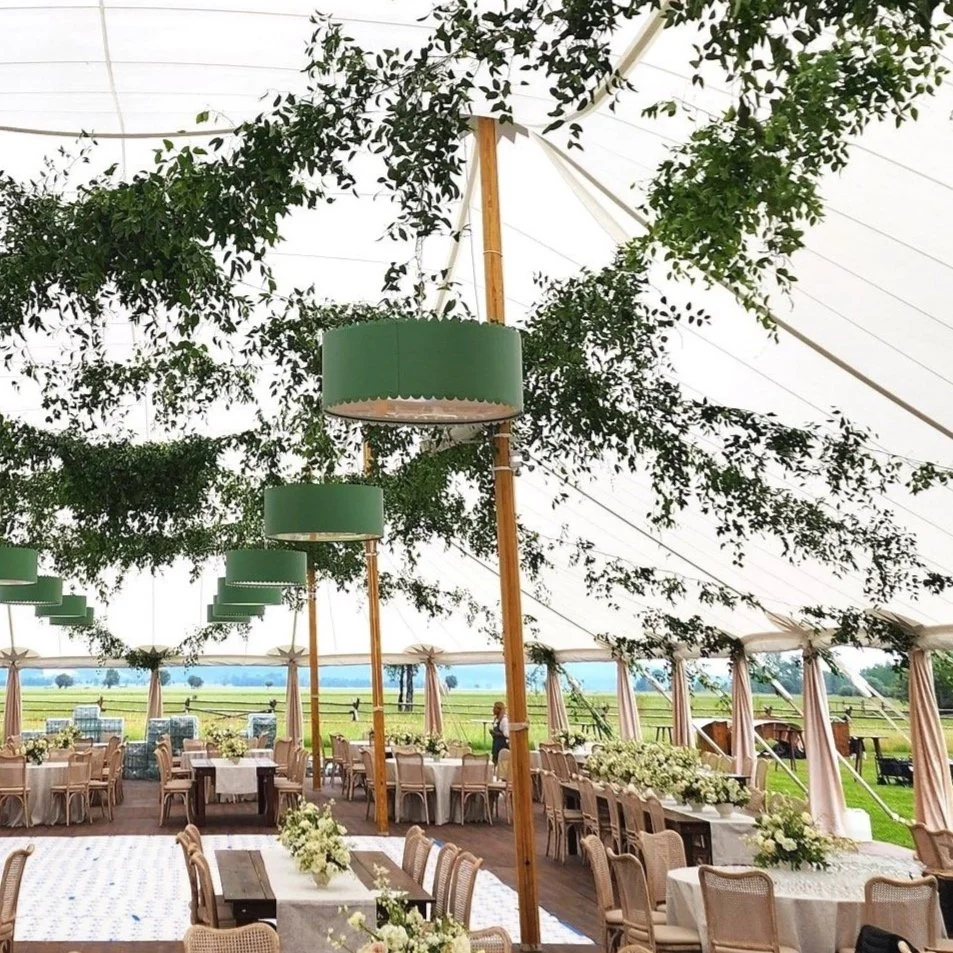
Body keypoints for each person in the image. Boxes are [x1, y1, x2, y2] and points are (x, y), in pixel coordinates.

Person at [490, 700, 509, 765]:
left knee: (501, 764)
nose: (493, 709)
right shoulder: (497, 719)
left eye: (495, 708)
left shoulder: (504, 720)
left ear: (499, 709)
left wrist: (496, 734)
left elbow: (506, 734)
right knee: (494, 762)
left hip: (502, 746)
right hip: (496, 745)